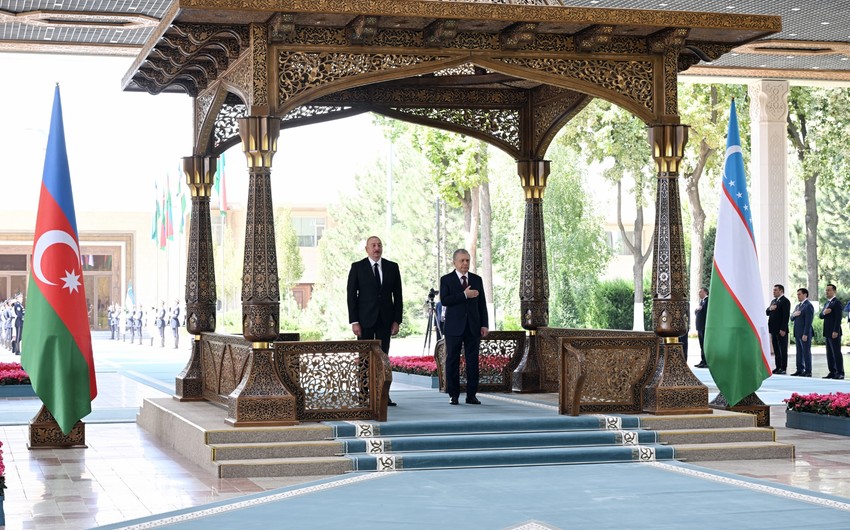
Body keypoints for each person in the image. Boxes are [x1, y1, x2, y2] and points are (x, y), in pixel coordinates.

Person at [346, 236, 403, 406]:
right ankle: (363, 396)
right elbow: (351, 296)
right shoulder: (357, 267)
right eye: (373, 245)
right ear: (367, 249)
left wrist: (397, 321)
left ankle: (383, 394)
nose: (377, 248)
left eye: (379, 245)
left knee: (383, 358)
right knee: (364, 358)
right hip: (364, 321)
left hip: (385, 321)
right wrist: (354, 321)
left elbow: (398, 296)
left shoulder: (392, 267)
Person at [439, 248, 489, 406]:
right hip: (454, 327)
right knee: (452, 360)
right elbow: (445, 300)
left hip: (473, 327)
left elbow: (482, 304)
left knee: (473, 361)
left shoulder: (477, 279)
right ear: (454, 262)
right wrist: (464, 295)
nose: (465, 263)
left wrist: (484, 324)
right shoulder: (446, 279)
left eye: (467, 260)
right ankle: (453, 395)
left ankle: (472, 395)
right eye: (462, 260)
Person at [819, 283, 845, 379]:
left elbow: (838, 318)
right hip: (827, 331)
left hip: (834, 332)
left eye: (829, 290)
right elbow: (821, 316)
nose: (827, 292)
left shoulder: (836, 303)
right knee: (829, 353)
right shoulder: (827, 303)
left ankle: (840, 372)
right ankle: (832, 371)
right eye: (826, 290)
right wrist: (824, 312)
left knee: (836, 352)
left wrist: (835, 331)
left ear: (834, 291)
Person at [766, 284, 791, 375]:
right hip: (773, 329)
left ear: (781, 291)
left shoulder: (785, 301)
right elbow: (767, 312)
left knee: (782, 349)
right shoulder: (773, 301)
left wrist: (783, 329)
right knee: (776, 348)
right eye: (773, 290)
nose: (774, 292)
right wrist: (770, 308)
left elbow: (785, 316)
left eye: (775, 290)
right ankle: (778, 366)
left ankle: (783, 367)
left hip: (781, 330)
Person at [790, 287, 814, 377]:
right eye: (797, 294)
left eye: (799, 294)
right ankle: (799, 369)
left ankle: (808, 370)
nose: (798, 296)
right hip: (797, 332)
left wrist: (805, 333)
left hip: (804, 333)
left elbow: (808, 321)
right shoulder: (798, 306)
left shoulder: (808, 306)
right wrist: (794, 314)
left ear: (805, 294)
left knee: (806, 352)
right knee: (799, 352)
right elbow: (791, 318)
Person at [694, 287, 709, 368]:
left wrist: (698, 310)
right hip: (700, 327)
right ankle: (702, 360)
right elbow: (696, 312)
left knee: (704, 344)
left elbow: (705, 313)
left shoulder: (707, 301)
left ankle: (706, 361)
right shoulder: (701, 302)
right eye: (699, 292)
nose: (699, 293)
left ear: (706, 292)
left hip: (704, 326)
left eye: (701, 292)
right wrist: (697, 309)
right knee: (701, 345)